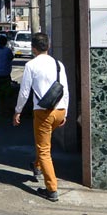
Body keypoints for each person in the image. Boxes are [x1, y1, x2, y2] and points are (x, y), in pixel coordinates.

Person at [13, 32, 69, 203]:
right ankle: (36, 166)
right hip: (59, 110)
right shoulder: (58, 64)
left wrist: (17, 111)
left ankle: (51, 189)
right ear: (48, 46)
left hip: (43, 112)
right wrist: (65, 111)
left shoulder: (31, 65)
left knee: (44, 150)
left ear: (33, 48)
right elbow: (65, 89)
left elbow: (24, 92)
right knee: (43, 143)